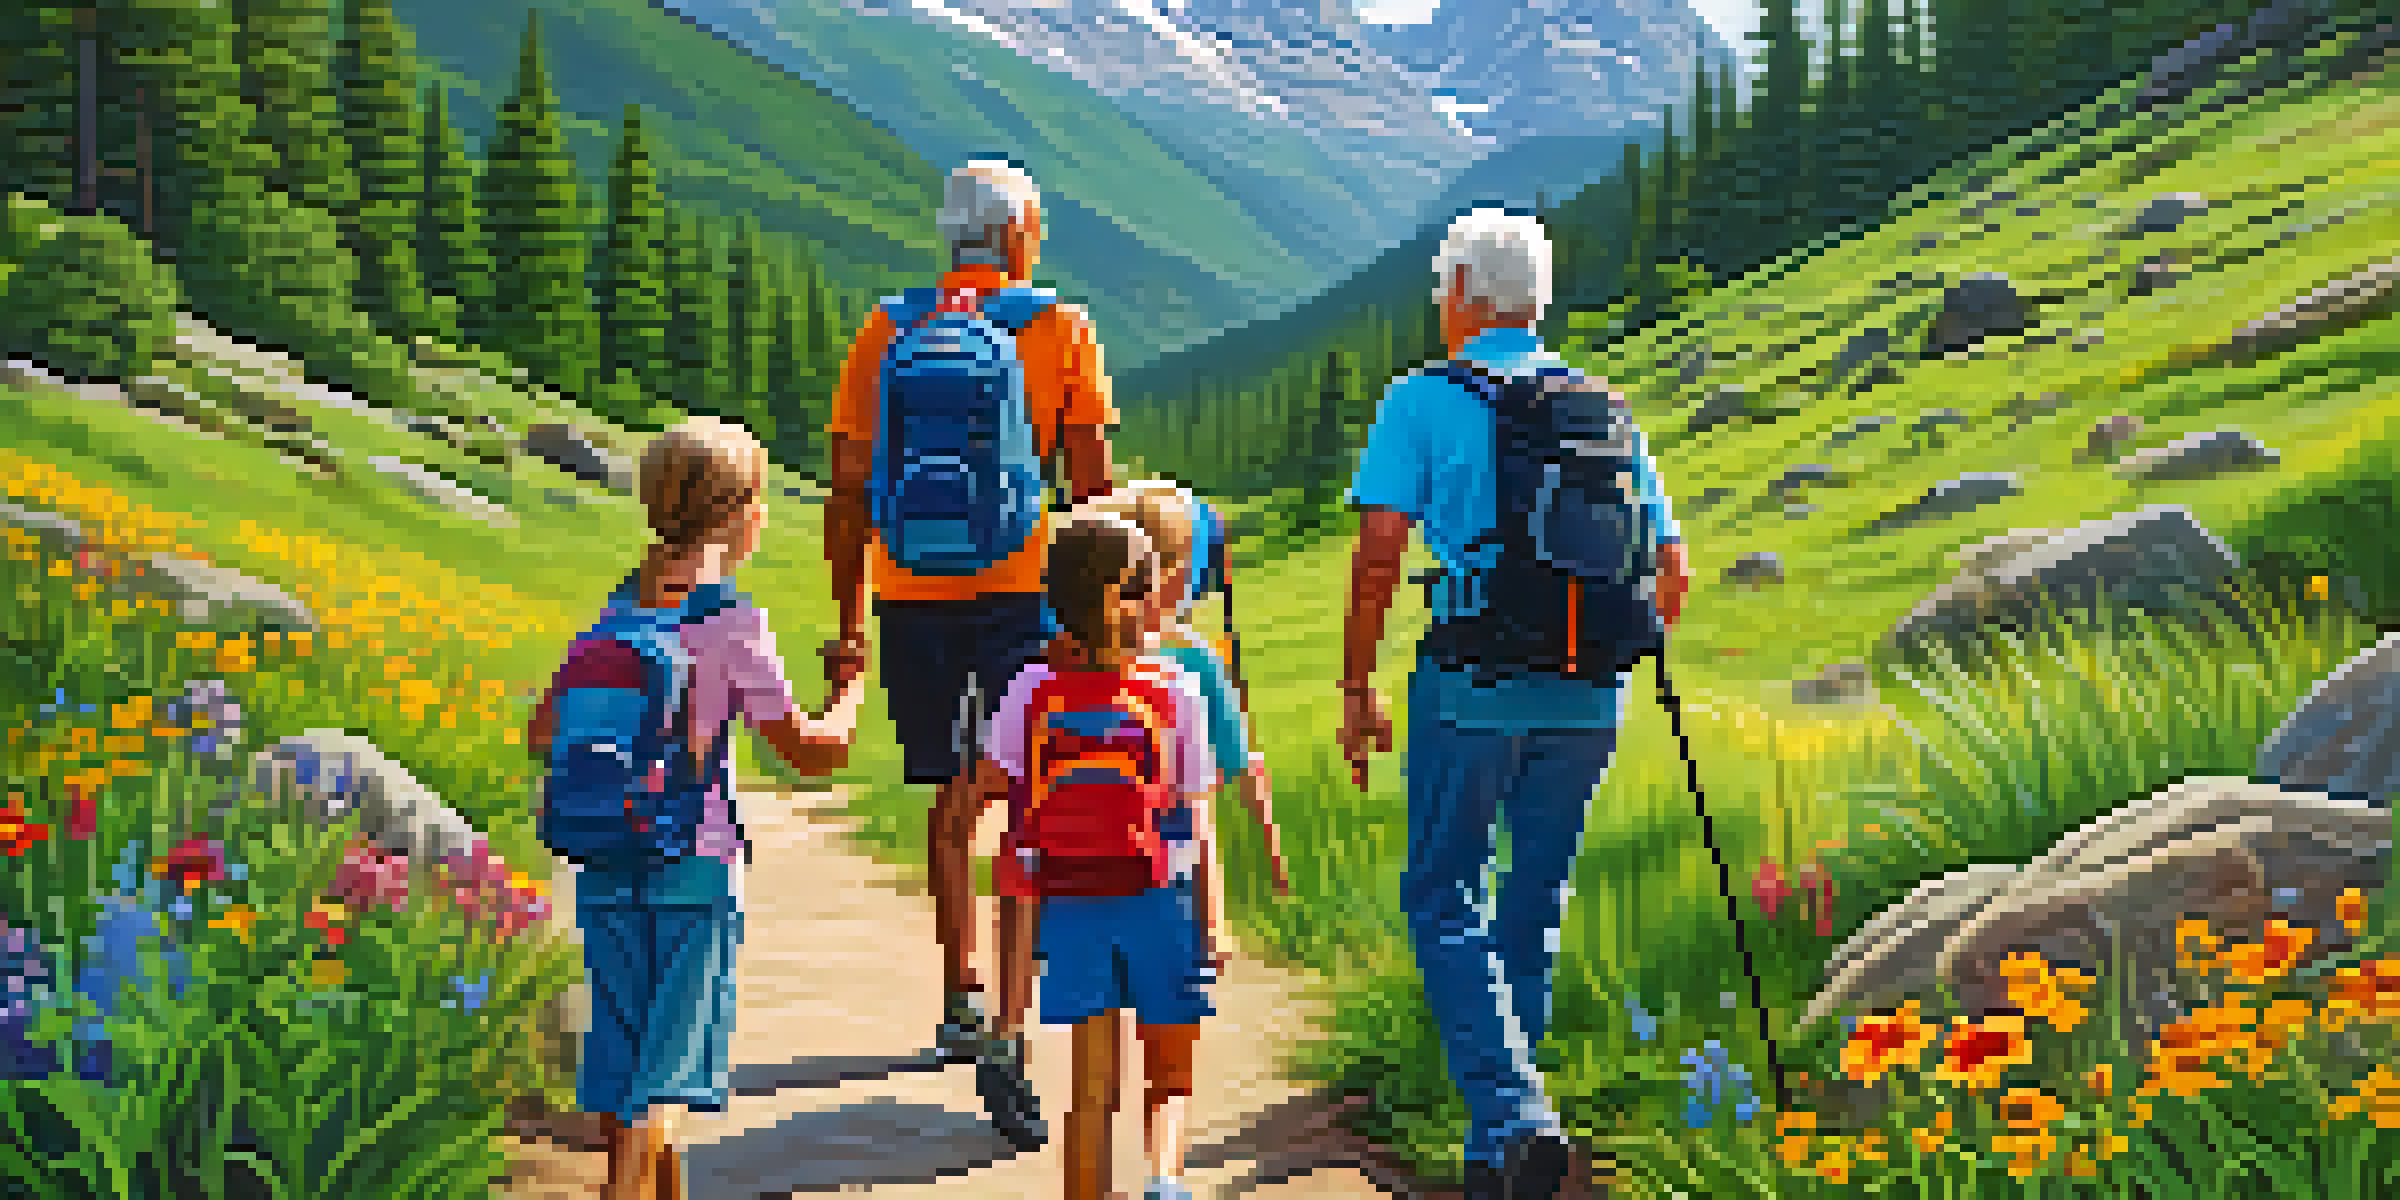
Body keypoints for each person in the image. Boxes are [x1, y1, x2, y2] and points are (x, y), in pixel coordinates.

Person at [1334, 209, 1692, 1200]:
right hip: (1589, 701)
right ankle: (1499, 1160)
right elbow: (1671, 570)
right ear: (1536, 301)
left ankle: (1513, 1113)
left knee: (1444, 897)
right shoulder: (1605, 406)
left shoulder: (1422, 400)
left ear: (1459, 295)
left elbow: (1377, 556)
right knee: (1529, 910)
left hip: (1472, 689)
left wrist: (1358, 685)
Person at [822, 157, 1119, 1141]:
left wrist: (851, 619)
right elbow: (1093, 494)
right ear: (1023, 233)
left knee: (951, 803)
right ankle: (1014, 1011)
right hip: (1023, 596)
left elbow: (850, 487)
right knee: (1028, 794)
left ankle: (960, 990)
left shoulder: (887, 328)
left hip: (912, 596)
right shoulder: (1060, 328)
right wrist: (1104, 622)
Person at [528, 417, 868, 1200]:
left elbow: (546, 730)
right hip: (693, 864)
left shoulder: (612, 617)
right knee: (668, 1079)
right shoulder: (728, 623)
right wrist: (849, 689)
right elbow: (810, 750)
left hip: (604, 862)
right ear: (742, 515)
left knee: (620, 1058)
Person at [988, 481, 1292, 1087]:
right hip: (1165, 855)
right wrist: (1267, 841)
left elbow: (1006, 769)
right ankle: (1155, 1135)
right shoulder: (1191, 660)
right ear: (1165, 575)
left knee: (1053, 924)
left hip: (1072, 856)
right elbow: (1237, 761)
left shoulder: (1057, 658)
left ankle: (1012, 1029)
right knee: (1160, 1009)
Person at [984, 512, 1221, 1200]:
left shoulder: (1031, 689)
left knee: (1090, 1095)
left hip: (1073, 901)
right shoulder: (1175, 688)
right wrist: (1213, 920)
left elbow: (997, 787)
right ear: (1141, 595)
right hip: (1161, 899)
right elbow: (1196, 815)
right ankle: (1164, 1182)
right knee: (1170, 1080)